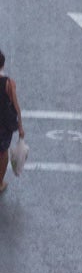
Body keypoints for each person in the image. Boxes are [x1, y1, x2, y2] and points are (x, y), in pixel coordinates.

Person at [0, 49, 24, 194]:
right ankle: (0, 182)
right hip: (4, 124)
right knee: (3, 152)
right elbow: (16, 106)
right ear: (3, 65)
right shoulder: (9, 83)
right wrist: (20, 126)